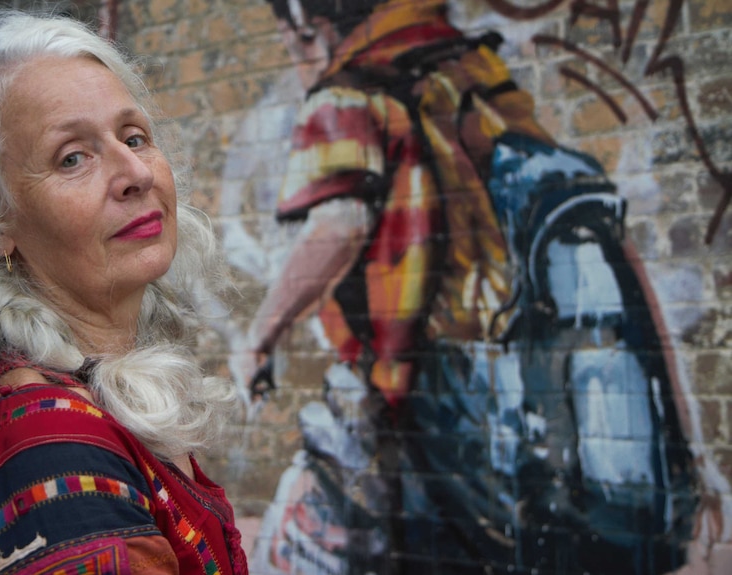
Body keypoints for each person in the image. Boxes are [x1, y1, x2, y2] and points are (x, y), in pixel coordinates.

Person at [245, 0, 696, 573]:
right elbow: (603, 227)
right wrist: (683, 445)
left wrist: (258, 339)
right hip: (515, 390)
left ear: (307, 25)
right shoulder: (469, 69)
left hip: (429, 391)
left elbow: (342, 224)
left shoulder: (348, 94)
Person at [0, 10, 247, 575]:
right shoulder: (46, 442)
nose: (134, 171)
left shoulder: (96, 403)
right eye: (72, 157)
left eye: (134, 136)